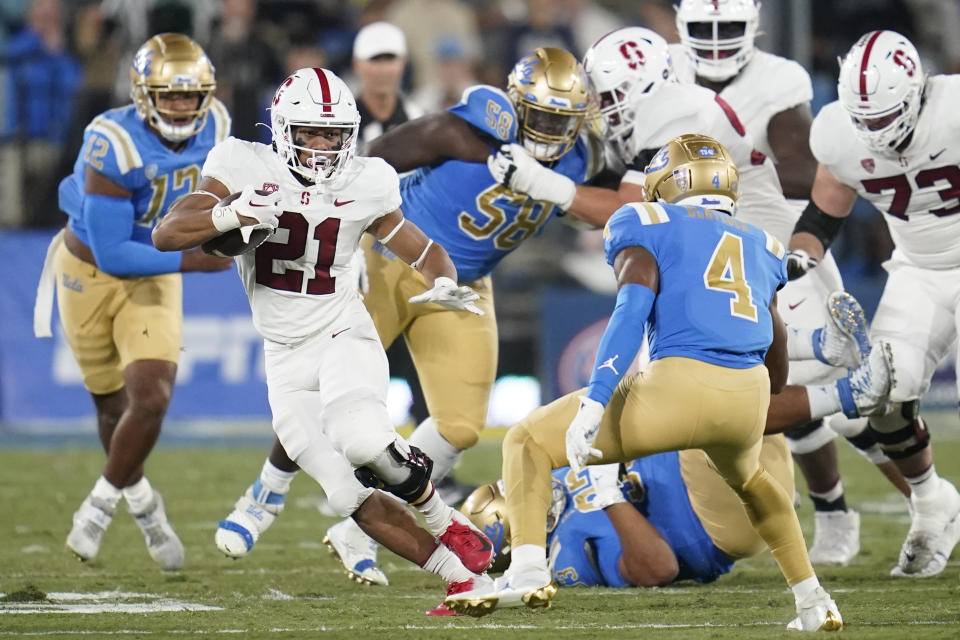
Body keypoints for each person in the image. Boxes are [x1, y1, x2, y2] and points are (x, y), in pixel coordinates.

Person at [491, 25, 906, 566]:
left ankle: (921, 490)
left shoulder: (675, 110)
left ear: (649, 88)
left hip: (754, 238)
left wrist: (541, 185)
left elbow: (626, 210)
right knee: (748, 375)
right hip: (720, 251)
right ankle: (827, 367)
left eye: (613, 99)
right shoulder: (658, 105)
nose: (605, 110)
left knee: (777, 392)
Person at [215, 47, 605, 587]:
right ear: (516, 107)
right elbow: (377, 158)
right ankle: (268, 487)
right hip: (388, 258)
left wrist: (554, 187)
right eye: (538, 116)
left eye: (561, 119)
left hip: (460, 281)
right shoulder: (480, 125)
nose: (548, 128)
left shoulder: (582, 162)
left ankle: (359, 527)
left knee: (462, 424)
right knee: (318, 373)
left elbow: (613, 207)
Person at [445, 134, 844, 633]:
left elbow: (631, 310)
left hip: (677, 387)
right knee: (754, 485)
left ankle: (525, 570)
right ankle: (813, 600)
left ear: (666, 183)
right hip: (747, 398)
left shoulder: (644, 220)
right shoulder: (762, 244)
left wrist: (596, 400)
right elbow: (777, 361)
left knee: (526, 439)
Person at [152, 67, 494, 614]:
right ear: (284, 129)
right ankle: (466, 581)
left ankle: (444, 519)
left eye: (333, 134)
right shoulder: (241, 163)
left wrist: (445, 281)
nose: (323, 146)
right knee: (347, 494)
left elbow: (422, 249)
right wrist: (232, 211)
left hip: (342, 331)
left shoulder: (367, 179)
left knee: (360, 439)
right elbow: (168, 233)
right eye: (310, 132)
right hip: (283, 356)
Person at [669, 0, 879, 568]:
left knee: (831, 383)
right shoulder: (659, 69)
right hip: (692, 242)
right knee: (751, 379)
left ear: (754, 26)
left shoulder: (778, 77)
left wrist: (726, 151)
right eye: (705, 29)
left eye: (729, 28)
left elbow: (798, 168)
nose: (716, 41)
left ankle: (919, 500)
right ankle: (836, 506)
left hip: (776, 237)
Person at [30, 33, 233, 570]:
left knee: (153, 397)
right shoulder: (113, 141)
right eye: (169, 95)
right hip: (88, 273)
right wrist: (195, 259)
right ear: (144, 94)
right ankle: (144, 503)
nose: (182, 106)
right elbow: (114, 253)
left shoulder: (218, 128)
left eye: (191, 96)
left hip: (155, 275)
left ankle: (96, 508)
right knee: (110, 406)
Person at [785, 29, 960, 578]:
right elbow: (823, 211)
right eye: (865, 119)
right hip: (920, 271)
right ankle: (932, 505)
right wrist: (797, 259)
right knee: (883, 393)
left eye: (886, 117)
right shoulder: (838, 130)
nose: (876, 132)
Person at [462, 436, 794, 588]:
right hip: (709, 518)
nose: (531, 491)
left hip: (710, 462)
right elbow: (657, 570)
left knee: (757, 382)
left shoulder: (552, 470)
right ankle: (831, 395)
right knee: (718, 399)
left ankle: (827, 390)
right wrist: (608, 494)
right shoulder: (567, 556)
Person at [351, 21, 424, 146]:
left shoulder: (419, 120)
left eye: (390, 59)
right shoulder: (342, 123)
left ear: (403, 63)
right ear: (356, 65)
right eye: (375, 60)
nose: (383, 70)